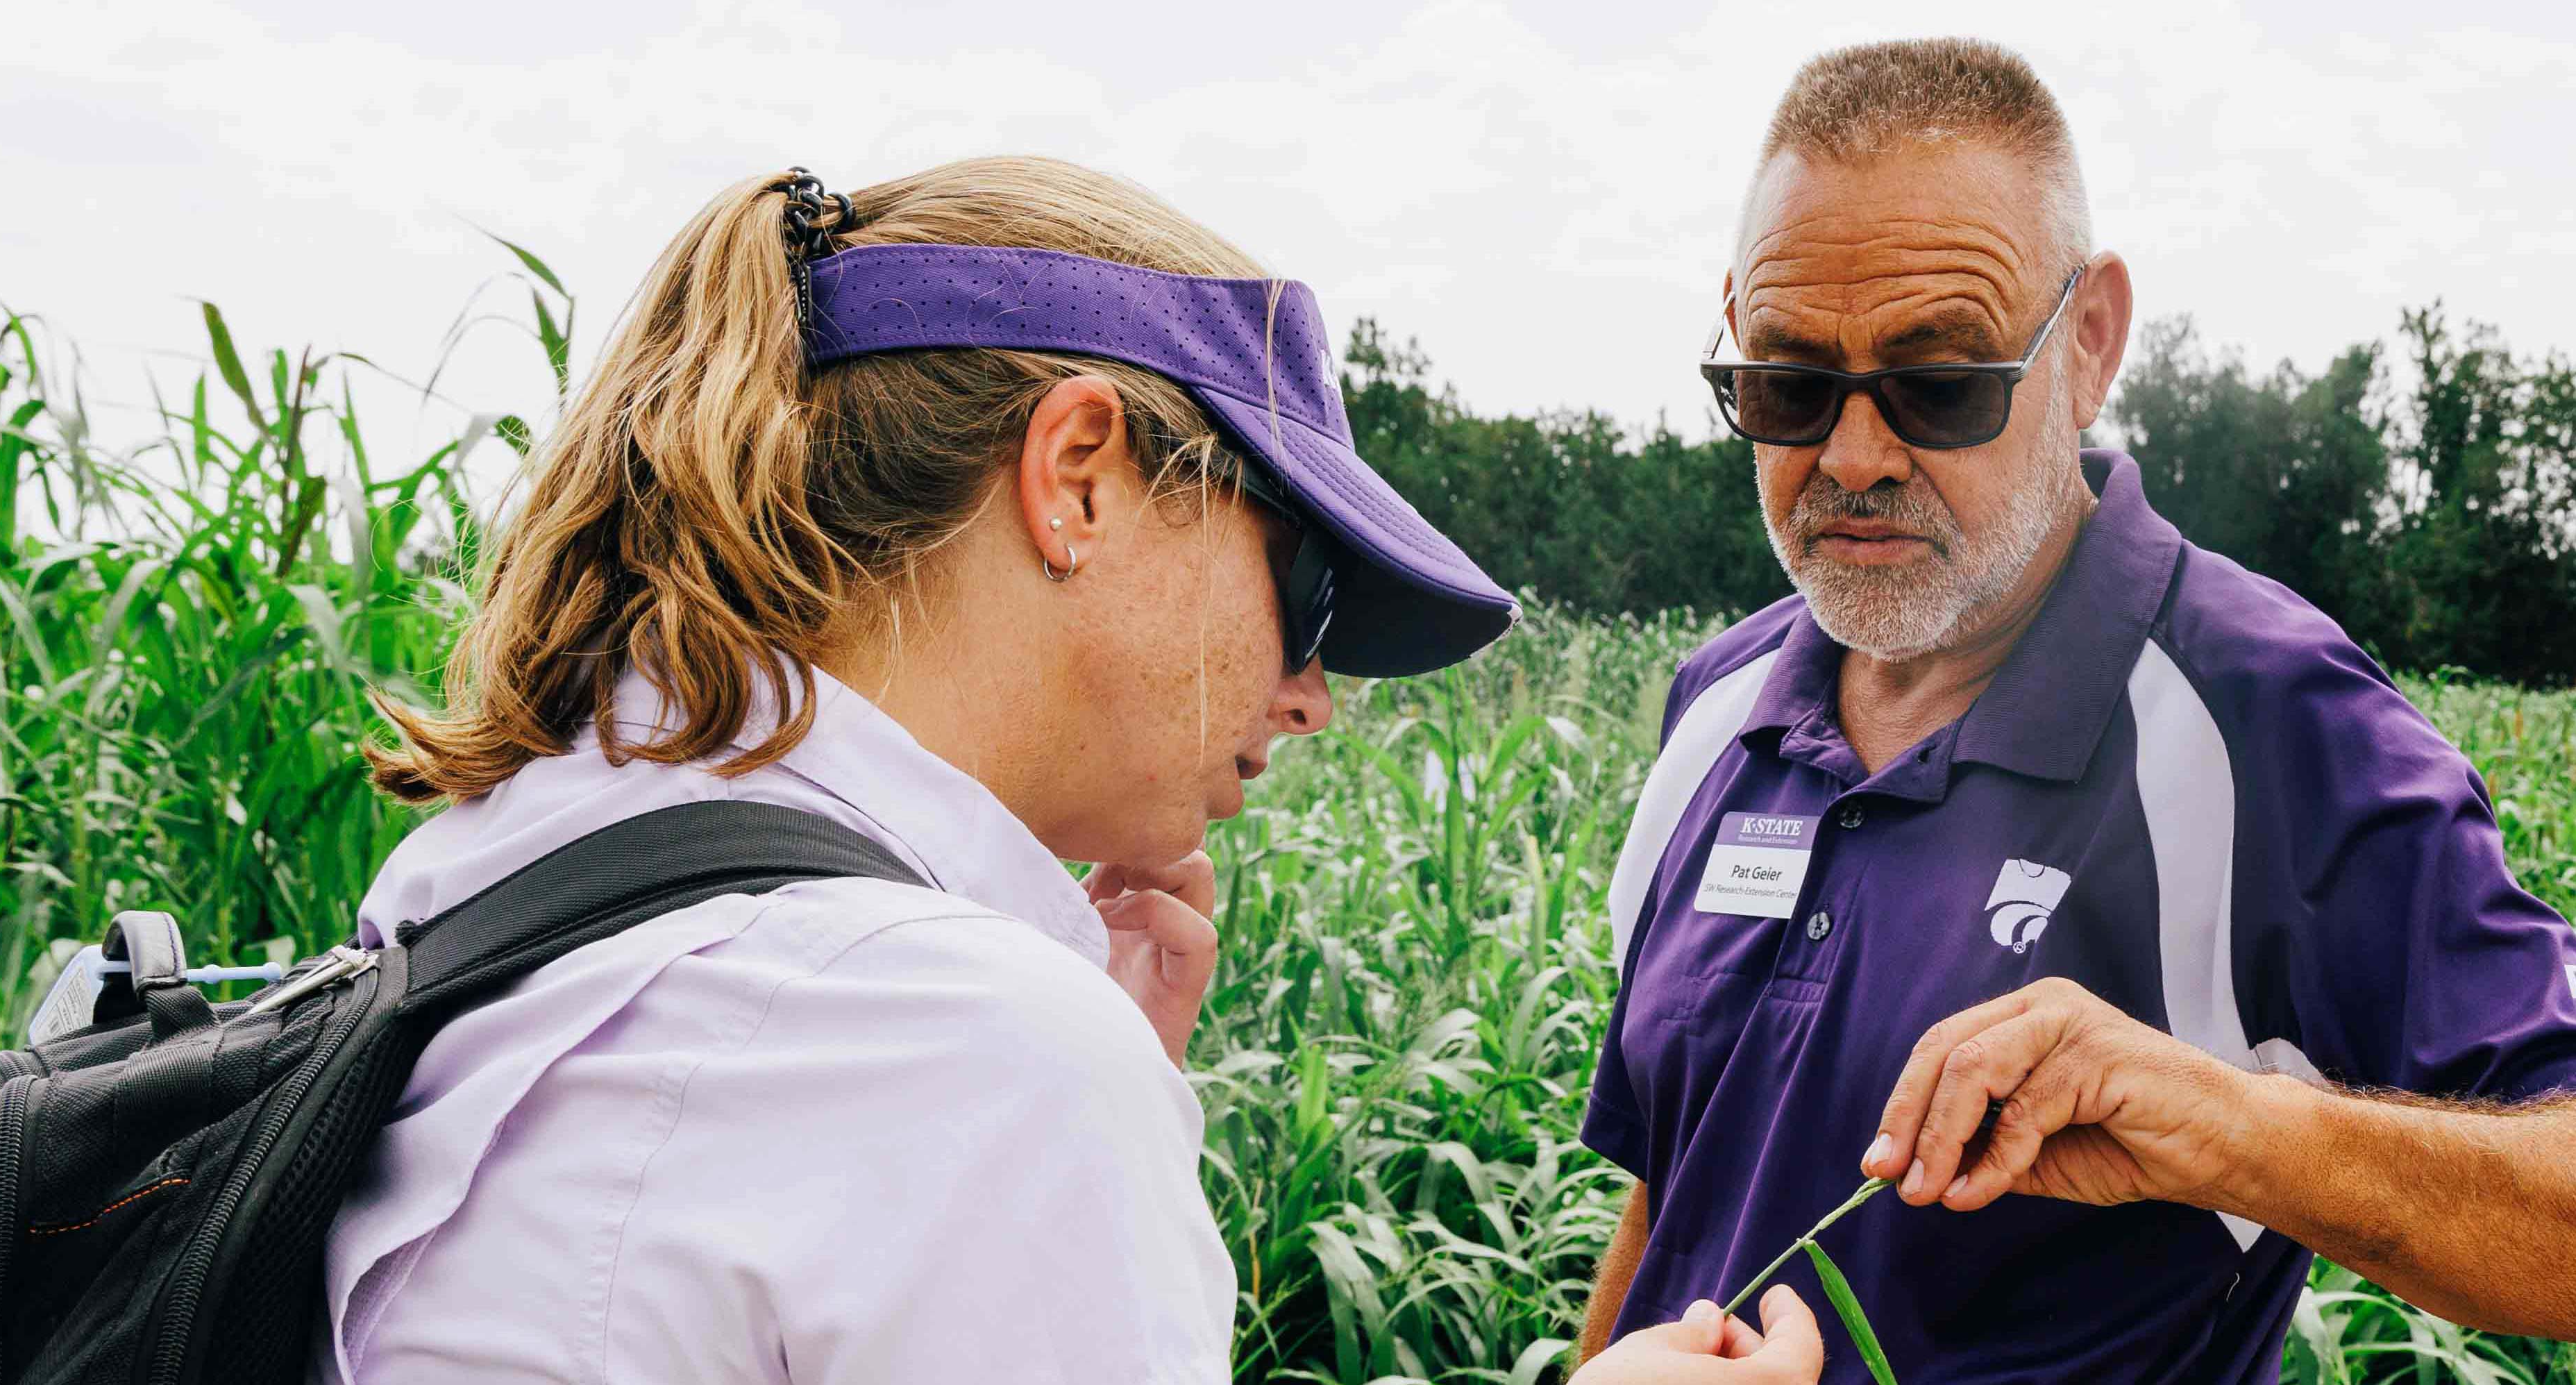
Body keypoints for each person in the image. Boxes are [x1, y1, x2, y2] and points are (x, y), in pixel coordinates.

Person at [328, 157, 1815, 1384]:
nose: (1312, 701)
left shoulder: (507, 851)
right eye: (1308, 599)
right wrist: (1054, 1102)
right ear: (1081, 473)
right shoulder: (970, 1046)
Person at [1577, 40, 2576, 1382]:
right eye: (1787, 385)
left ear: (2087, 345)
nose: (1853, 456)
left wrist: (2228, 1124)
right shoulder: (1716, 709)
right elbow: (1678, 1194)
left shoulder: (2264, 717)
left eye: (1944, 383)